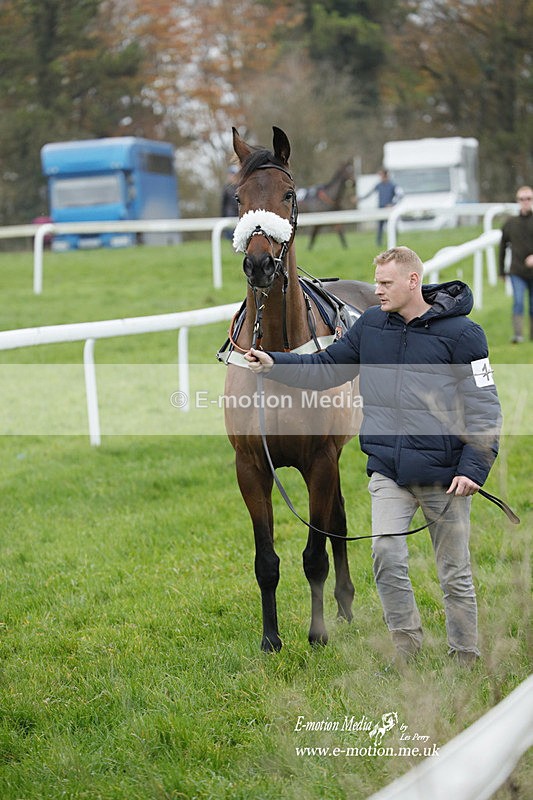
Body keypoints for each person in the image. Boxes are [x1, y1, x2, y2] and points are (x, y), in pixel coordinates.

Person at [245, 246, 501, 665]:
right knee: (386, 557)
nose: (376, 290)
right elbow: (326, 366)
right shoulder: (370, 325)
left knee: (454, 572)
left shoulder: (465, 335)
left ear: (413, 281)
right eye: (377, 282)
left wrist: (474, 467)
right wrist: (274, 363)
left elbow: (485, 406)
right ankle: (406, 648)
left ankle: (465, 654)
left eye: (385, 283)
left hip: (446, 476)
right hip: (389, 471)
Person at [498, 185, 533, 343]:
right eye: (522, 199)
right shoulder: (510, 223)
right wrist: (501, 271)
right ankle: (518, 335)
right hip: (517, 271)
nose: (525, 201)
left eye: (528, 198)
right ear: (518, 201)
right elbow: (502, 247)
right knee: (518, 302)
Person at [358, 168, 402, 246]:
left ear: (385, 175)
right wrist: (359, 199)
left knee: (392, 227)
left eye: (381, 175)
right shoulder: (379, 185)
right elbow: (369, 194)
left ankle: (394, 242)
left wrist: (392, 204)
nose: (380, 177)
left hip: (389, 210)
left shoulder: (392, 185)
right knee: (380, 228)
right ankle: (379, 244)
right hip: (380, 209)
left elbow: (400, 195)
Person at [220, 164, 240, 240]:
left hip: (239, 217)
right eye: (230, 174)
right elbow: (223, 205)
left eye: (233, 174)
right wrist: (222, 218)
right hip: (230, 217)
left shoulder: (241, 187)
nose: (231, 177)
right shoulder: (226, 188)